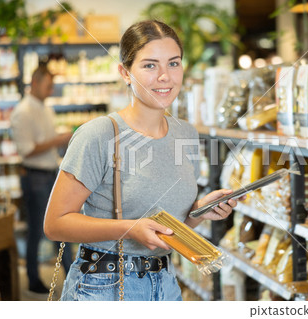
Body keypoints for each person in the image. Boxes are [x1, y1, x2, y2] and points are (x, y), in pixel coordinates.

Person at [44, 20, 244, 301]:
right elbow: (55, 223)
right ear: (125, 73)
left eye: (173, 63)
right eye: (150, 65)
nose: (165, 76)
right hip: (105, 287)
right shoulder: (99, 134)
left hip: (166, 285)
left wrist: (199, 211)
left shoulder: (184, 132)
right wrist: (131, 229)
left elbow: (165, 227)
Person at [10, 65, 73, 294]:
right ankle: (33, 280)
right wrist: (58, 140)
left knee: (62, 227)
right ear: (34, 83)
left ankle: (71, 276)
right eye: (48, 85)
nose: (51, 89)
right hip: (34, 176)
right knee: (36, 230)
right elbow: (27, 150)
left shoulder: (46, 110)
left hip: (51, 173)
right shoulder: (22, 112)